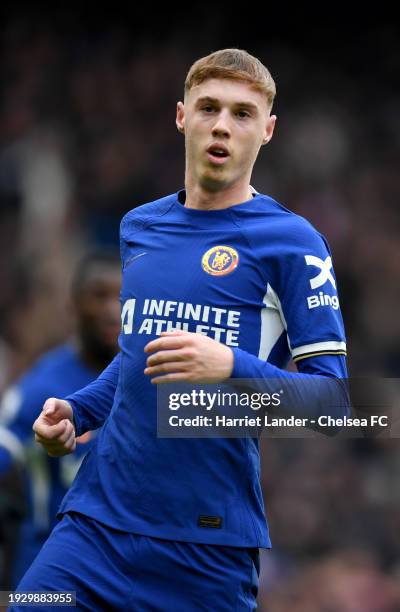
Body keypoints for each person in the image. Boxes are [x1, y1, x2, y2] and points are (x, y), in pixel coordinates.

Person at [13, 49, 349, 611]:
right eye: (208, 107)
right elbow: (138, 354)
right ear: (181, 116)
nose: (222, 124)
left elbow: (334, 407)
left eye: (242, 114)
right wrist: (78, 411)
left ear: (266, 131)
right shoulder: (140, 227)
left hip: (205, 547)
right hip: (96, 526)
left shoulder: (293, 243)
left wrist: (231, 367)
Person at [0, 251, 121, 588]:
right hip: (50, 571)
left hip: (122, 573)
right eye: (99, 295)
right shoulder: (42, 389)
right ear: (74, 305)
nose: (113, 309)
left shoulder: (149, 383)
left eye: (123, 298)